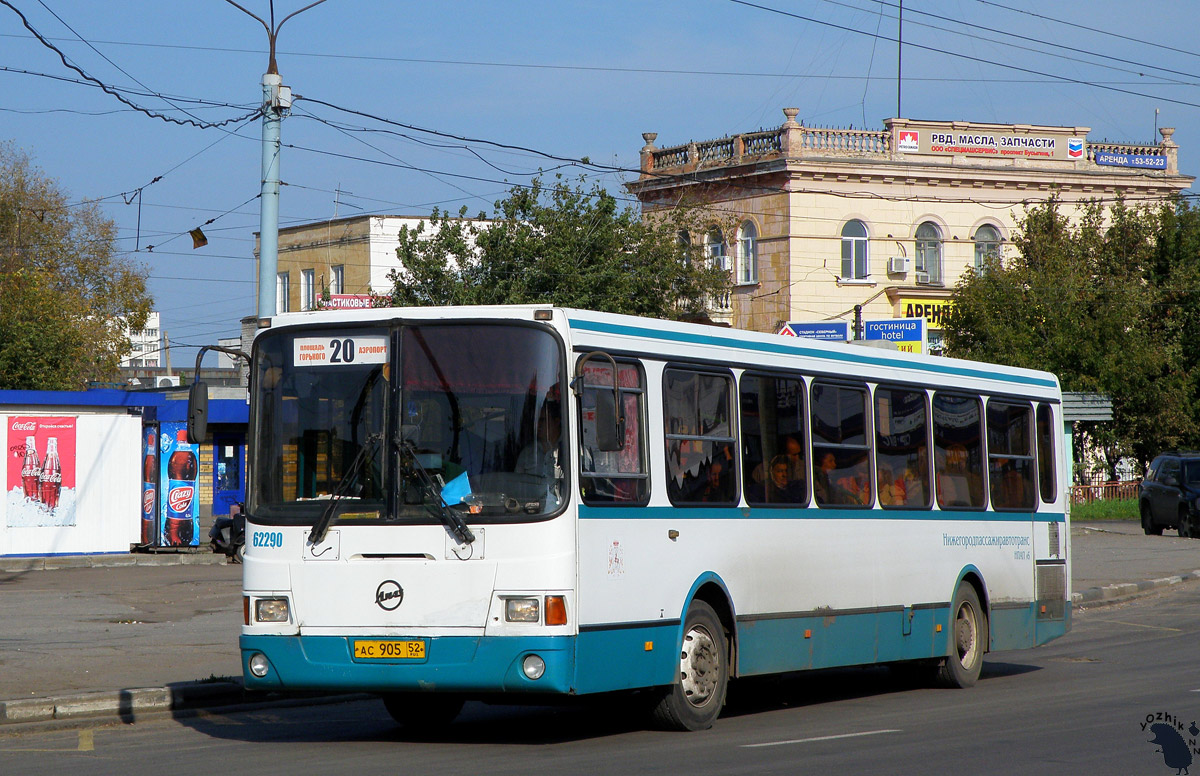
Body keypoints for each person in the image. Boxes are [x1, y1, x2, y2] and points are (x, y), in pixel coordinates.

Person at [516, 400, 564, 507]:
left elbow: (586, 486)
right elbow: (517, 488)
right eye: (537, 420)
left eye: (542, 420)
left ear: (556, 421)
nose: (538, 425)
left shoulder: (573, 452)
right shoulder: (527, 454)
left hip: (563, 511)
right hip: (531, 513)